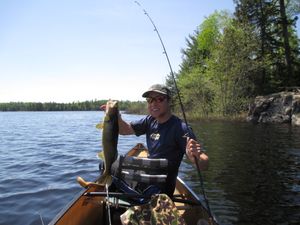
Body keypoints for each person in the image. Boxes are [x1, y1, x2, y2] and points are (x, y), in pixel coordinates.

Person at [118, 84, 209, 197]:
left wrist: (196, 158)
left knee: (116, 174)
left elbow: (204, 163)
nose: (153, 104)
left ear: (169, 101)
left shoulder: (181, 129)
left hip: (161, 190)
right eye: (150, 100)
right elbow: (125, 130)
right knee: (106, 166)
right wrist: (116, 117)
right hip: (146, 178)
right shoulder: (150, 120)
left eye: (159, 99)